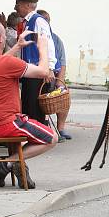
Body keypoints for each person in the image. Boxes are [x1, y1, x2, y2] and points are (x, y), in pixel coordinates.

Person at [0, 25, 59, 189]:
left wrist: (18, 46)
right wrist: (43, 48)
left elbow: (1, 63)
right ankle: (6, 165)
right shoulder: (7, 62)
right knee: (52, 138)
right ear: (0, 39)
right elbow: (44, 72)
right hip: (6, 124)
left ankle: (9, 164)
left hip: (2, 123)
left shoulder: (3, 62)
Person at [13, 0, 57, 123]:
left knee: (34, 109)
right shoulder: (27, 22)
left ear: (27, 5)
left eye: (18, 4)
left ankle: (39, 136)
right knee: (27, 107)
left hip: (37, 72)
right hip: (30, 72)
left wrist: (49, 67)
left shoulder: (38, 21)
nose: (16, 7)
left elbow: (48, 44)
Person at [37, 10, 72, 140]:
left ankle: (61, 128)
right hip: (39, 76)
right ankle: (43, 125)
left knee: (64, 93)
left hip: (53, 76)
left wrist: (60, 81)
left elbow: (62, 62)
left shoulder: (56, 40)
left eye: (47, 20)